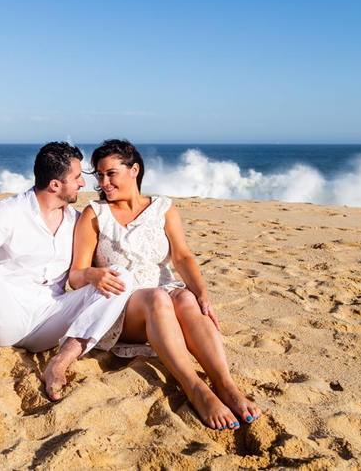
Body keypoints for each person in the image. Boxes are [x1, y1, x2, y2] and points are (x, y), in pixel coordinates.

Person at [43, 139, 261, 431]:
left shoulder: (163, 208)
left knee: (186, 298)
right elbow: (76, 275)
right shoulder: (95, 214)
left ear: (134, 170)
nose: (104, 183)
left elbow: (182, 256)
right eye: (100, 175)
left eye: (111, 174)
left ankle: (226, 384)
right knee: (158, 298)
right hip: (123, 305)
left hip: (166, 295)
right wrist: (94, 275)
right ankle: (195, 387)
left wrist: (202, 294)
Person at [0, 142, 135, 429]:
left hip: (51, 317)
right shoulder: (9, 210)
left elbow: (84, 275)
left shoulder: (77, 220)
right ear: (55, 184)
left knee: (120, 276)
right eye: (77, 177)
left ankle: (60, 362)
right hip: (6, 316)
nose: (83, 183)